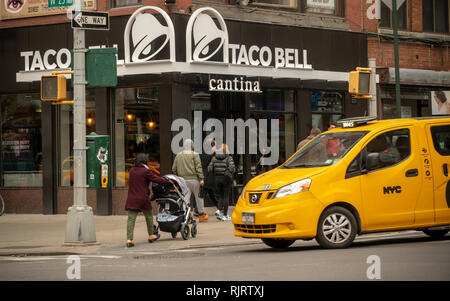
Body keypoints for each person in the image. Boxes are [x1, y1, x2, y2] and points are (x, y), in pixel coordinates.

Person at [125, 153, 169, 248]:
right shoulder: (146, 171)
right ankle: (151, 235)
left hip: (132, 198)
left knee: (131, 219)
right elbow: (156, 179)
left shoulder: (132, 171)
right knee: (148, 216)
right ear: (145, 161)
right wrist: (166, 181)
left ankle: (129, 239)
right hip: (143, 198)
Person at [172, 139, 209, 222]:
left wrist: (179, 177)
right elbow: (198, 168)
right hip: (194, 179)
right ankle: (201, 214)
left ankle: (187, 216)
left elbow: (173, 169)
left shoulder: (178, 155)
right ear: (192, 146)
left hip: (183, 181)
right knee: (199, 197)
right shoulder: (195, 155)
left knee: (186, 199)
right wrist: (201, 178)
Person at [208, 144, 236, 221]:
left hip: (217, 178)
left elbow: (210, 168)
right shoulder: (229, 157)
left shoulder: (214, 157)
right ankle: (225, 215)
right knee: (226, 196)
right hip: (226, 179)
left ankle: (220, 214)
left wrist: (215, 171)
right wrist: (229, 171)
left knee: (220, 196)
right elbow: (232, 168)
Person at [199, 139, 220, 216]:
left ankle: (197, 209)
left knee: (209, 193)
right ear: (212, 146)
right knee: (207, 193)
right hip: (210, 176)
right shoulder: (212, 153)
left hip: (205, 176)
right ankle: (197, 209)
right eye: (215, 145)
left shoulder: (202, 152)